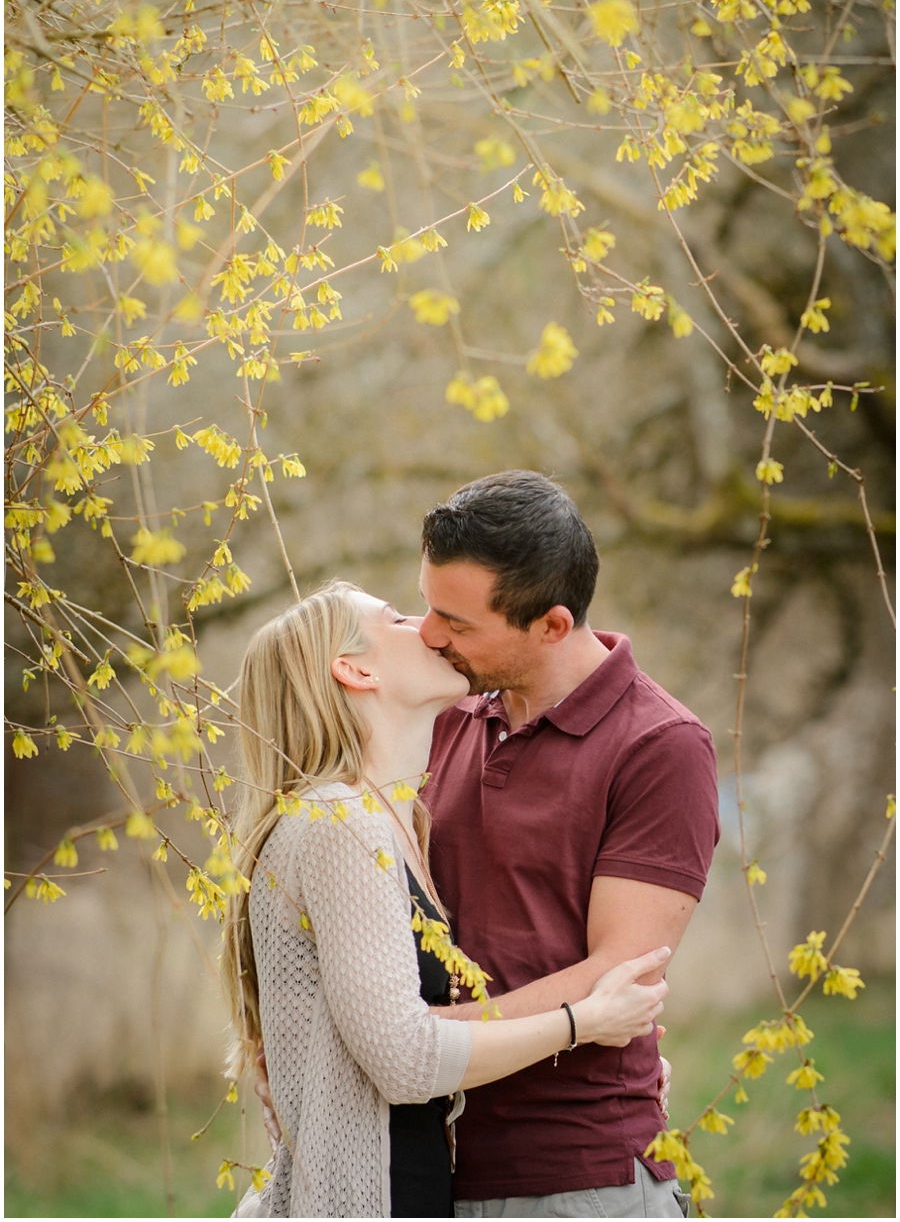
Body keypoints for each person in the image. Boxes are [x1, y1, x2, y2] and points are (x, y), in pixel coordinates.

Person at [223, 582, 672, 1219]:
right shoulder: (337, 822)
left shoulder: (398, 820)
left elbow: (396, 1023)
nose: (430, 629)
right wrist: (585, 1025)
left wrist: (611, 1068)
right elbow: (405, 1060)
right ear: (356, 669)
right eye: (398, 618)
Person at [415, 470, 720, 1219]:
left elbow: (620, 970)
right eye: (428, 606)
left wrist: (424, 1042)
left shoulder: (660, 746)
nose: (430, 634)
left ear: (551, 624)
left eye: (457, 621)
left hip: (574, 1177)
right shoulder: (445, 716)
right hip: (427, 1162)